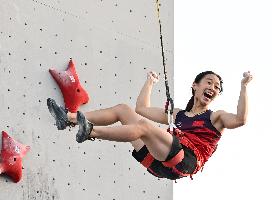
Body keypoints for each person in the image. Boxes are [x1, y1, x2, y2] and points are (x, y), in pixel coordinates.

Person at [47, 70, 253, 180]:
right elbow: (141, 109)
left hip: (185, 161)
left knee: (145, 128)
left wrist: (243, 87)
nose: (213, 88)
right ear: (195, 86)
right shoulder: (178, 114)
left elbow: (240, 120)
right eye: (209, 82)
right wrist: (150, 82)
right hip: (157, 162)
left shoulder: (215, 117)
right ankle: (70, 118)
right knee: (123, 110)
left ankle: (91, 131)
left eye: (216, 87)